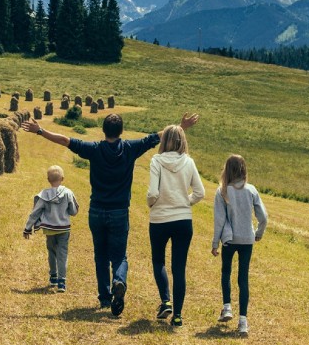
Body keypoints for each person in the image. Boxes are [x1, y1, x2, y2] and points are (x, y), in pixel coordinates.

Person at [21, 112, 199, 317]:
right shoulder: (130, 148)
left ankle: (105, 297)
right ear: (121, 131)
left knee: (101, 255)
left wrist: (40, 131)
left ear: (104, 130)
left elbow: (65, 140)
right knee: (120, 256)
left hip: (97, 210)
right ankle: (119, 281)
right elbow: (157, 137)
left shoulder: (94, 149)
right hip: (119, 212)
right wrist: (181, 127)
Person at [146, 125, 205, 328]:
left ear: (164, 141)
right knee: (179, 268)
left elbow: (153, 192)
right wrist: (184, 202)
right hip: (183, 220)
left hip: (160, 218)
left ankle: (166, 300)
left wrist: (151, 204)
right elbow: (200, 192)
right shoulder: (189, 162)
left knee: (158, 261)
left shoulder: (156, 161)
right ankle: (178, 316)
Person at [211, 154, 268, 337]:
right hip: (247, 238)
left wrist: (215, 243)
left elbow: (219, 220)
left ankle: (227, 307)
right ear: (244, 169)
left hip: (229, 239)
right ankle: (243, 321)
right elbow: (263, 217)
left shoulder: (222, 191)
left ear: (226, 170)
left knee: (226, 271)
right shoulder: (251, 190)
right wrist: (258, 233)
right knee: (243, 278)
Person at [23, 165, 80, 293]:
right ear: (63, 178)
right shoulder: (68, 193)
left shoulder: (44, 195)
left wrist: (28, 228)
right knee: (62, 254)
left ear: (48, 179)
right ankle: (62, 282)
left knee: (51, 252)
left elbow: (35, 212)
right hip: (64, 229)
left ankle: (53, 277)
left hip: (49, 230)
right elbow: (73, 211)